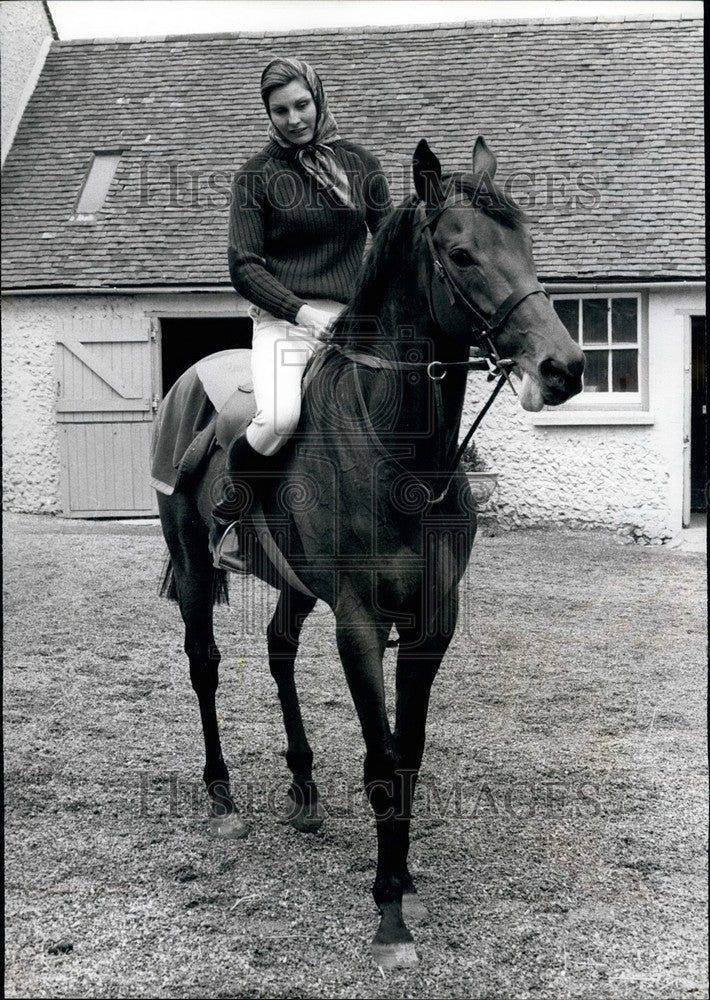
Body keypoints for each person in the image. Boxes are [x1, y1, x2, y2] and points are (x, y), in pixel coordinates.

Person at [212, 56, 393, 570]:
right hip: (285, 323)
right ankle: (233, 515)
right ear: (267, 115)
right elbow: (244, 268)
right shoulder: (256, 177)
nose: (294, 119)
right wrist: (302, 313)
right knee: (281, 417)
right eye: (280, 111)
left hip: (355, 324)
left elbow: (390, 245)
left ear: (318, 98)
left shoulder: (361, 165)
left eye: (301, 105)